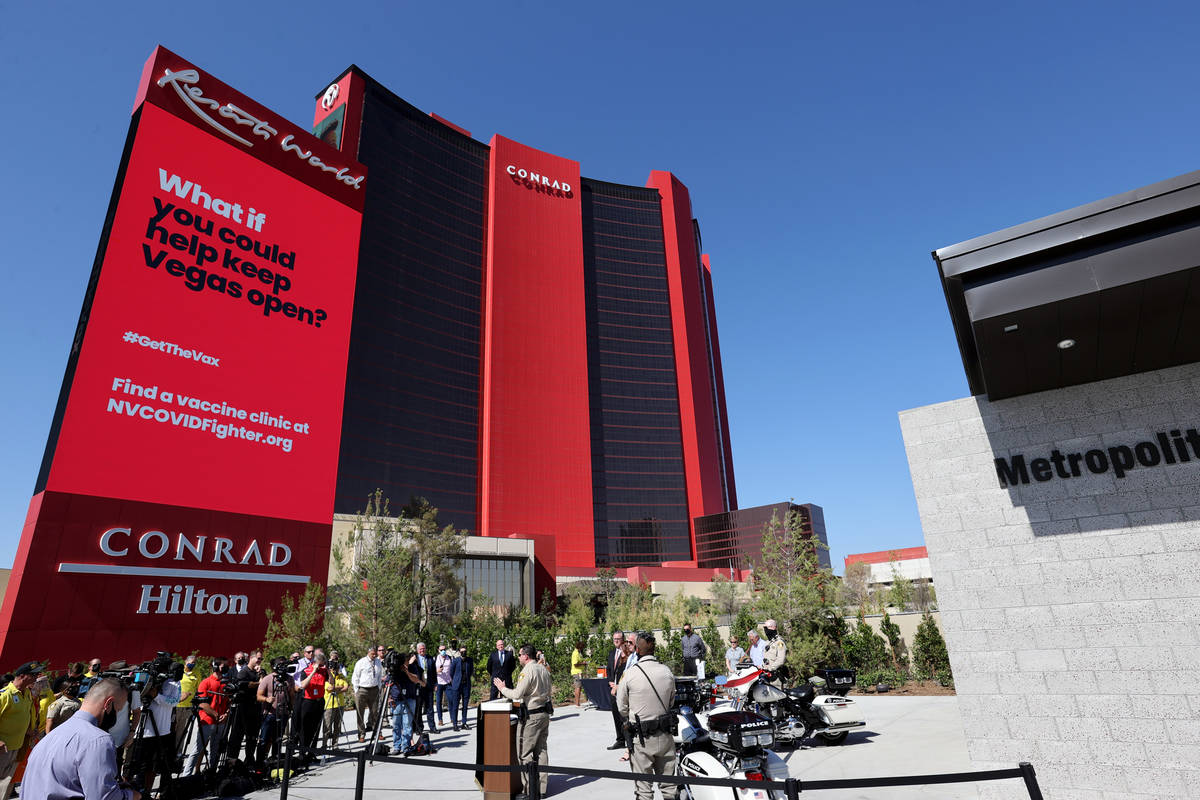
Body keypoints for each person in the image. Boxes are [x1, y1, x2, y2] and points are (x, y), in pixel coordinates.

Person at [21, 678, 141, 800]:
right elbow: (105, 797)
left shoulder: (52, 736)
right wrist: (133, 796)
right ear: (108, 704)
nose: (116, 715)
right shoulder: (98, 740)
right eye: (118, 710)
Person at [617, 632, 678, 800]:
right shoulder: (666, 671)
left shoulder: (630, 674)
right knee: (669, 787)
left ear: (637, 650)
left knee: (644, 790)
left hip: (642, 739)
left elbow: (621, 708)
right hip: (665, 736)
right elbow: (671, 702)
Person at [493, 644, 552, 800]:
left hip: (531, 717)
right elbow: (549, 692)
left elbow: (517, 694)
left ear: (526, 656)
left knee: (524, 753)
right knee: (541, 751)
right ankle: (542, 789)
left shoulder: (528, 671)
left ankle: (529, 790)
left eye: (519, 655)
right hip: (544, 714)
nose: (518, 657)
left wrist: (503, 688)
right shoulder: (543, 669)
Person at [128, 670, 179, 796]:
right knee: (134, 765)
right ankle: (131, 793)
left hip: (161, 731)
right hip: (141, 730)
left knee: (152, 766)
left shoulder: (174, 682)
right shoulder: (144, 677)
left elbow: (175, 702)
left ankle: (147, 792)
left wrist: (157, 696)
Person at [0, 662, 41, 800]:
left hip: (17, 746)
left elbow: (24, 715)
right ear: (22, 676)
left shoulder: (27, 693)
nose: (37, 677)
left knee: (5, 784)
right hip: (2, 748)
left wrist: (29, 730)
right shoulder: (5, 695)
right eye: (34, 675)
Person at [183, 656, 228, 776]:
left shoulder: (226, 683)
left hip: (221, 722)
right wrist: (215, 714)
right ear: (215, 667)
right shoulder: (205, 682)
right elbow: (202, 702)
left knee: (215, 750)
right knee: (198, 749)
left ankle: (211, 773)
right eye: (223, 666)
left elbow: (229, 702)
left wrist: (226, 714)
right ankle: (186, 775)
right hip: (207, 721)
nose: (226, 668)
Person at [255, 658, 295, 765]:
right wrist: (266, 699)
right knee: (264, 740)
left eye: (284, 664)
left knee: (278, 739)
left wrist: (292, 709)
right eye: (280, 664)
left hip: (283, 713)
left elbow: (291, 696)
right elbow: (258, 696)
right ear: (274, 666)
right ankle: (259, 763)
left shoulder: (289, 679)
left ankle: (275, 761)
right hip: (269, 714)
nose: (283, 667)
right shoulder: (268, 679)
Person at [388, 653, 423, 755]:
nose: (404, 663)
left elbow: (416, 679)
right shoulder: (395, 669)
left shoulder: (412, 667)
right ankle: (396, 746)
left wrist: (406, 671)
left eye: (406, 661)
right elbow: (387, 683)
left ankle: (405, 746)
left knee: (407, 724)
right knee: (396, 725)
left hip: (409, 699)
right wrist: (389, 698)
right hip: (396, 700)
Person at [298, 652, 330, 760]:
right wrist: (313, 672)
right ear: (315, 663)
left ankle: (312, 752)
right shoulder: (306, 671)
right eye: (320, 665)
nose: (322, 667)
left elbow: (332, 683)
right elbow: (303, 685)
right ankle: (302, 753)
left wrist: (328, 671)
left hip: (319, 701)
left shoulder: (324, 671)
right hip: (308, 701)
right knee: (305, 728)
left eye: (323, 665)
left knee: (316, 728)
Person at [352, 646, 382, 743]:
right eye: (372, 654)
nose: (374, 656)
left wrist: (379, 688)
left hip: (374, 689)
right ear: (368, 653)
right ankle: (361, 734)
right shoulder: (361, 662)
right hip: (362, 689)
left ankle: (377, 732)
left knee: (375, 713)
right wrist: (357, 691)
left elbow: (379, 676)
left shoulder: (378, 662)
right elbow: (355, 677)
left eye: (375, 654)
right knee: (360, 713)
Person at [605, 632, 628, 750]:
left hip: (622, 688)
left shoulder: (627, 654)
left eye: (618, 639)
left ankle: (629, 740)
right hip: (613, 689)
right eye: (614, 639)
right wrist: (610, 681)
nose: (616, 641)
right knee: (615, 714)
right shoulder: (611, 653)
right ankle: (620, 740)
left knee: (624, 715)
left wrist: (619, 685)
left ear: (623, 640)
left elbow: (627, 671)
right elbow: (609, 670)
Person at [174, 656, 199, 750]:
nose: (193, 664)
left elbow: (198, 688)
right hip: (176, 705)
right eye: (191, 662)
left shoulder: (196, 673)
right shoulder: (179, 670)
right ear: (186, 661)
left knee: (181, 731)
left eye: (194, 662)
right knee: (173, 730)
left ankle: (178, 751)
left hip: (187, 706)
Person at [323, 665, 349, 750]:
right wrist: (339, 687)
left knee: (337, 726)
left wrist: (336, 689)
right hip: (329, 705)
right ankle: (324, 745)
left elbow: (346, 687)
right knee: (327, 726)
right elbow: (329, 688)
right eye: (333, 668)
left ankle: (335, 745)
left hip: (340, 704)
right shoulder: (327, 677)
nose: (335, 670)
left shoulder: (341, 677)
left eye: (336, 668)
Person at [413, 643, 437, 734]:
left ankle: (432, 727)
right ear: (417, 650)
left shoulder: (430, 658)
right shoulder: (415, 659)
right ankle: (419, 728)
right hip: (419, 686)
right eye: (420, 649)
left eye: (423, 648)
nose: (422, 650)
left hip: (429, 685)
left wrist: (435, 684)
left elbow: (434, 672)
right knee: (418, 708)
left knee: (430, 707)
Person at [762, 619, 788, 686]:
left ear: (773, 628)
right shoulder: (768, 642)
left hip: (776, 678)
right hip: (767, 676)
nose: (765, 631)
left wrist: (770, 668)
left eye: (766, 628)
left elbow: (781, 660)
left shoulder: (779, 642)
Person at [434, 644, 453, 728]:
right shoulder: (435, 659)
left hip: (448, 682)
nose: (443, 651)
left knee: (450, 700)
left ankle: (453, 718)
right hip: (439, 683)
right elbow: (431, 672)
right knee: (438, 702)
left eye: (444, 649)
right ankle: (440, 719)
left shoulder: (450, 658)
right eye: (441, 650)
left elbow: (453, 669)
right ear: (438, 650)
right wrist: (437, 671)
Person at [456, 647, 474, 729]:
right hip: (458, 685)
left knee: (465, 705)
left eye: (465, 651)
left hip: (466, 685)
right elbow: (452, 672)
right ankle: (455, 723)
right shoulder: (456, 660)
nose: (464, 653)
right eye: (462, 651)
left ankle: (464, 722)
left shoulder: (470, 660)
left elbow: (470, 671)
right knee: (456, 705)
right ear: (459, 652)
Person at [570, 641, 588, 706]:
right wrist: (583, 663)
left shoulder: (578, 653)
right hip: (576, 672)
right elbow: (575, 664)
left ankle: (578, 703)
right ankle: (577, 704)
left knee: (579, 687)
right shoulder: (575, 653)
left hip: (579, 672)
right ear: (580, 647)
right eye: (582, 647)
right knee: (578, 687)